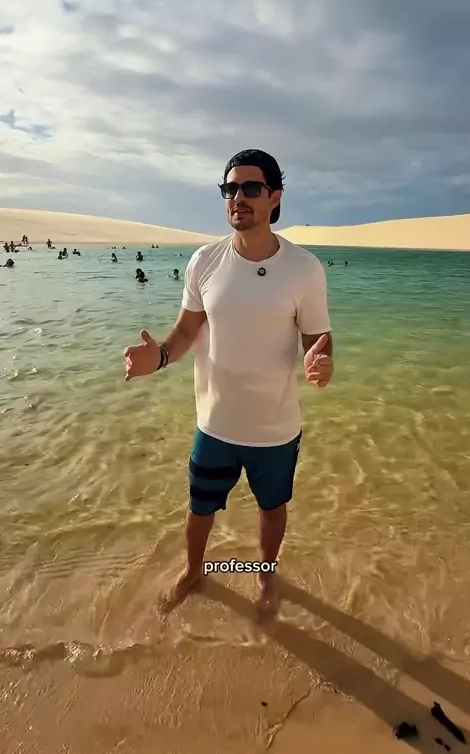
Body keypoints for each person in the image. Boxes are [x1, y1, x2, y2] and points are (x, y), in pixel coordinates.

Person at [123, 149, 333, 618]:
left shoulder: (305, 269)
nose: (238, 197)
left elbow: (317, 340)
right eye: (230, 188)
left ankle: (265, 575)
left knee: (272, 508)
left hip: (275, 429)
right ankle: (193, 571)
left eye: (251, 188)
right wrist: (159, 357)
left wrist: (322, 364)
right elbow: (185, 332)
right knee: (200, 508)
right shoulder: (205, 261)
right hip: (215, 423)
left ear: (275, 198)